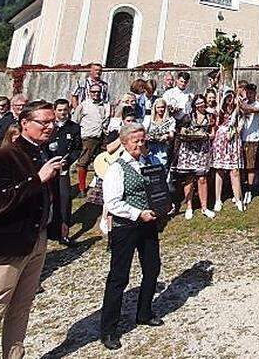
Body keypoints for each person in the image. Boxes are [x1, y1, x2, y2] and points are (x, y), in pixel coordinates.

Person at [0, 100, 65, 359]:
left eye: (52, 121)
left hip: (36, 238)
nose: (49, 127)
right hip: (8, 243)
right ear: (24, 123)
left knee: (22, 307)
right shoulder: (3, 156)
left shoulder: (42, 152)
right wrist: (37, 179)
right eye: (43, 122)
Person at [99, 123, 165, 350]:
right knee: (119, 277)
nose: (140, 144)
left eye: (143, 140)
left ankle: (144, 313)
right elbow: (113, 203)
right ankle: (108, 330)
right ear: (124, 143)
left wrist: (164, 204)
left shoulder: (149, 162)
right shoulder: (117, 168)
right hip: (125, 227)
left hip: (148, 224)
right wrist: (138, 213)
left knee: (152, 267)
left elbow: (158, 189)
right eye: (135, 141)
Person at [175, 94, 216, 220]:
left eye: (202, 103)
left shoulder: (210, 117)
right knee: (189, 178)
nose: (200, 105)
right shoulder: (188, 117)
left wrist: (207, 136)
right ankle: (189, 207)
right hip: (189, 150)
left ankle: (204, 207)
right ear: (194, 105)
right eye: (197, 103)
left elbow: (213, 133)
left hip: (202, 149)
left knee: (202, 178)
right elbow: (181, 131)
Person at [48, 98, 82, 245]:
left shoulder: (74, 128)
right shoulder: (48, 126)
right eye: (60, 110)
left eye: (65, 110)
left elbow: (77, 148)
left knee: (65, 199)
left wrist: (68, 161)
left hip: (63, 169)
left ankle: (64, 233)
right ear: (54, 111)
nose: (63, 113)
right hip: (47, 168)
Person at [211, 91, 244, 212]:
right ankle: (218, 199)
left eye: (232, 99)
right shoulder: (220, 110)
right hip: (221, 140)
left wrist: (236, 131)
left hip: (233, 139)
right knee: (219, 170)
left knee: (234, 170)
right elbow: (216, 121)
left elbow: (241, 123)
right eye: (228, 99)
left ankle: (238, 198)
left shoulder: (238, 110)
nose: (230, 101)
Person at [74, 83, 110, 192]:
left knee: (103, 161)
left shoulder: (106, 105)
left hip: (103, 136)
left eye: (98, 91)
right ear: (90, 93)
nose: (96, 94)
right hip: (89, 137)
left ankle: (100, 186)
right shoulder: (83, 105)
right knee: (83, 162)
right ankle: (81, 188)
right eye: (94, 91)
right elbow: (76, 121)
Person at [238, 83, 259, 205]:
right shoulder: (242, 104)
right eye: (247, 92)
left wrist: (241, 104)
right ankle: (242, 189)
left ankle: (249, 190)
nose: (249, 94)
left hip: (253, 139)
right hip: (240, 138)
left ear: (255, 93)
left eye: (251, 93)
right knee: (241, 166)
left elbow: (252, 110)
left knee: (250, 166)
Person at [142, 97, 176, 167]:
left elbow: (172, 134)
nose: (160, 109)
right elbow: (143, 132)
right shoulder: (149, 119)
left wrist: (167, 136)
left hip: (163, 148)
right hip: (149, 147)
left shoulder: (170, 120)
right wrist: (146, 136)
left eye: (162, 107)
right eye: (158, 107)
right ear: (155, 108)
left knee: (161, 168)